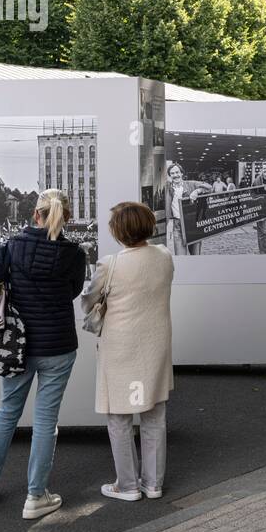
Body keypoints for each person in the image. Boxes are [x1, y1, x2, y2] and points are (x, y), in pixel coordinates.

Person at [0, 189, 88, 520]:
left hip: (17, 346)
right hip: (59, 345)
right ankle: (36, 496)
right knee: (45, 421)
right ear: (65, 217)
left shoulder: (9, 247)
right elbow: (72, 292)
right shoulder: (74, 253)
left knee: (7, 413)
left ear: (35, 214)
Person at [82, 202, 175, 501]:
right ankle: (153, 483)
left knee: (119, 418)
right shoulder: (164, 257)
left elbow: (87, 302)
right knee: (154, 414)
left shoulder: (110, 264)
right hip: (155, 344)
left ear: (118, 231)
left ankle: (128, 485)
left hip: (120, 347)